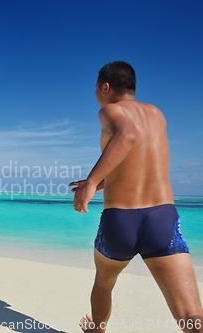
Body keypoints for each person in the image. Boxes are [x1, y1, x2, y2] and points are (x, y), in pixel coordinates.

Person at [70, 61, 203, 333]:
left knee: (104, 283)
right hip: (161, 218)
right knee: (191, 315)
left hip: (120, 219)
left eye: (96, 88)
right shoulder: (157, 114)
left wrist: (91, 183)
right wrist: (101, 181)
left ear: (105, 87)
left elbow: (126, 134)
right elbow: (134, 162)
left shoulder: (110, 110)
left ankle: (96, 329)